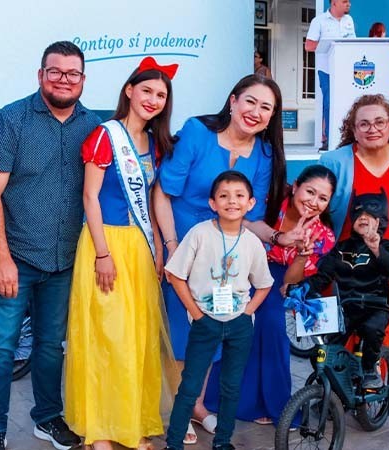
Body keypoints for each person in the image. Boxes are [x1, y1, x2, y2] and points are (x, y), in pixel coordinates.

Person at [153, 74, 301, 444]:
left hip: (224, 261)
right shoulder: (197, 132)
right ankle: (179, 409)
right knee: (183, 333)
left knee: (212, 332)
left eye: (266, 107)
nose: (255, 112)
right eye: (250, 101)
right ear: (233, 101)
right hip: (184, 248)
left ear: (271, 118)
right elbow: (164, 191)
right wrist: (170, 245)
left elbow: (251, 218)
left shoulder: (264, 155)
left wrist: (280, 237)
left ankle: (199, 406)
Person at [0, 41, 102, 450]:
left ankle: (47, 418)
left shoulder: (95, 126)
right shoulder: (10, 121)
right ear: (40, 75)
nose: (64, 80)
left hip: (65, 260)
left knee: (51, 346)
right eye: (55, 72)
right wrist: (1, 259)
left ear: (83, 80)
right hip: (14, 257)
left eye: (72, 74)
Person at [65, 56, 177, 450]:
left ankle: (131, 423)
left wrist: (165, 245)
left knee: (138, 339)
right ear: (129, 90)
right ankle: (102, 431)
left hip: (140, 249)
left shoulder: (156, 143)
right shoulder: (104, 135)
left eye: (161, 94)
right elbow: (90, 197)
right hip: (106, 244)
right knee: (107, 337)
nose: (153, 99)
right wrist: (102, 254)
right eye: (146, 90)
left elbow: (154, 197)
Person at [204, 164, 337, 426]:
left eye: (323, 198)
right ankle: (219, 397)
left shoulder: (323, 235)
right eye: (309, 192)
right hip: (240, 264)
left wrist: (302, 254)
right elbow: (240, 220)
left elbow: (290, 280)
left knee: (272, 325)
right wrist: (280, 237)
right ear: (296, 185)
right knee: (234, 320)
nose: (313, 202)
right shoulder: (269, 200)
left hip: (280, 278)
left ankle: (273, 403)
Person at [163, 171, 274, 450]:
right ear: (213, 203)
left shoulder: (252, 242)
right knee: (189, 387)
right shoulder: (200, 234)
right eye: (224, 196)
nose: (231, 201)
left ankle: (222, 442)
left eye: (239, 196)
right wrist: (197, 315)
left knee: (231, 386)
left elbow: (264, 284)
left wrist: (247, 313)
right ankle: (173, 443)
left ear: (250, 203)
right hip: (205, 322)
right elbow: (175, 274)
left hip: (238, 325)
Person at [319, 94, 389, 347]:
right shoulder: (334, 162)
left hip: (388, 268)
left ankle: (373, 387)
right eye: (363, 123)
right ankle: (338, 388)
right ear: (353, 129)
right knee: (340, 338)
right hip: (343, 269)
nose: (372, 128)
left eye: (379, 122)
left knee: (379, 338)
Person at [293, 191, 389, 389]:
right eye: (359, 215)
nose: (363, 219)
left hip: (375, 306)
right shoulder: (341, 248)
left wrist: (377, 249)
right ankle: (332, 389)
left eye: (369, 217)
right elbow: (323, 276)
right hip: (345, 308)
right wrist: (302, 288)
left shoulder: (386, 247)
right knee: (324, 349)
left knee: (371, 329)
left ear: (380, 221)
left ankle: (370, 368)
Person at [305, 0, 355, 150]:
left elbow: (352, 43)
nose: (349, 4)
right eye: (345, 1)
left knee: (347, 104)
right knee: (329, 104)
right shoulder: (319, 21)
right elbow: (308, 45)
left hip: (345, 70)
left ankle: (346, 138)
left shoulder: (349, 20)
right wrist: (330, 44)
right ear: (334, 3)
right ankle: (328, 139)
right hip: (327, 70)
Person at [368, 22, 389, 94]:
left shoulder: (364, 46)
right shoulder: (386, 49)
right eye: (384, 32)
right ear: (382, 32)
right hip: (383, 87)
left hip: (367, 85)